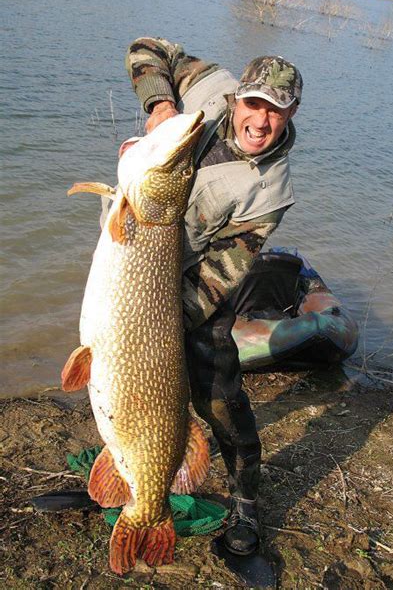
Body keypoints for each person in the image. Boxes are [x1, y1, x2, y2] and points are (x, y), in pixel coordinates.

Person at [125, 37, 303, 556]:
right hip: (138, 254)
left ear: (292, 113)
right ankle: (129, 474)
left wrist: (156, 328)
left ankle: (248, 505)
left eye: (276, 110)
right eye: (254, 103)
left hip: (198, 290)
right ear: (236, 98)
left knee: (222, 404)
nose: (261, 120)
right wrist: (160, 105)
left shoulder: (271, 191)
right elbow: (147, 47)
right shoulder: (209, 86)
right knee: (119, 386)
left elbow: (221, 273)